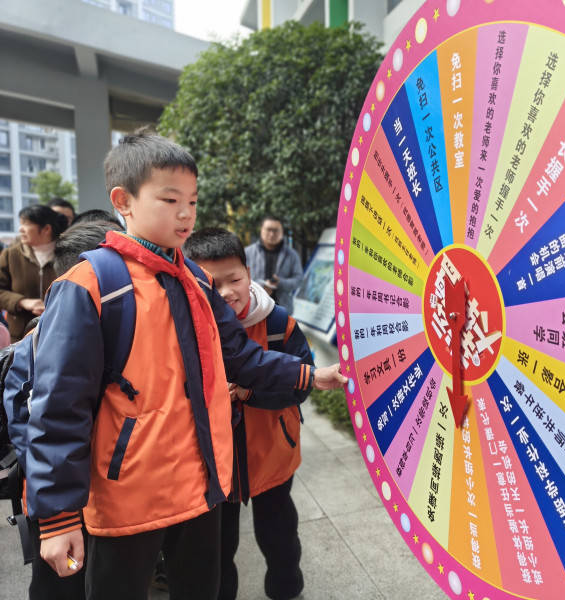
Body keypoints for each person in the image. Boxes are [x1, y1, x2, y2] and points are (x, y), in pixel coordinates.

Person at [13, 130, 347, 600]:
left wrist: (314, 375)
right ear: (123, 201)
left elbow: (241, 357)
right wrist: (59, 517)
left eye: (192, 200)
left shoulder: (196, 280)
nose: (186, 213)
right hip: (129, 503)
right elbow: (58, 408)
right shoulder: (91, 285)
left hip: (201, 490)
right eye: (170, 200)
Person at [185, 228, 309, 600]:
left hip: (272, 455)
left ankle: (287, 591)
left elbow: (301, 384)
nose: (226, 293)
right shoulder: (185, 328)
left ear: (249, 273)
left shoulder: (277, 324)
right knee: (219, 552)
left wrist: (248, 393)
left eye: (234, 279)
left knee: (280, 539)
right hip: (215, 468)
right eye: (212, 284)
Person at [20, 221, 124, 600]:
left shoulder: (112, 329)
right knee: (62, 582)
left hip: (94, 494)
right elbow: (36, 428)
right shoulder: (42, 342)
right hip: (60, 499)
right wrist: (57, 516)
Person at [0, 205, 68, 342]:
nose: (21, 229)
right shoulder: (11, 255)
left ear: (46, 229)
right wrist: (21, 302)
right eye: (21, 224)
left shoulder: (67, 255)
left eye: (26, 224)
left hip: (59, 333)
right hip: (20, 337)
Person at [245, 216, 303, 314]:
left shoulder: (292, 255)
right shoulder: (247, 253)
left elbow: (299, 280)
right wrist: (261, 286)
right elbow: (239, 279)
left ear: (282, 232)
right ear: (261, 230)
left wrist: (281, 283)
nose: (272, 234)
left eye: (276, 230)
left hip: (282, 308)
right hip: (254, 309)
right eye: (269, 230)